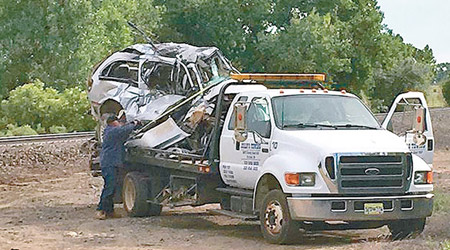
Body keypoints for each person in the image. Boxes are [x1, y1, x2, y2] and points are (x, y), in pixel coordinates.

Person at [96, 115, 139, 219]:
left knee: (113, 186)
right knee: (109, 186)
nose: (119, 123)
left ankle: (109, 211)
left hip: (110, 162)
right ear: (113, 122)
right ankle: (100, 210)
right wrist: (135, 123)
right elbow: (125, 129)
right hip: (109, 163)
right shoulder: (112, 131)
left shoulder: (109, 131)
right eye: (118, 121)